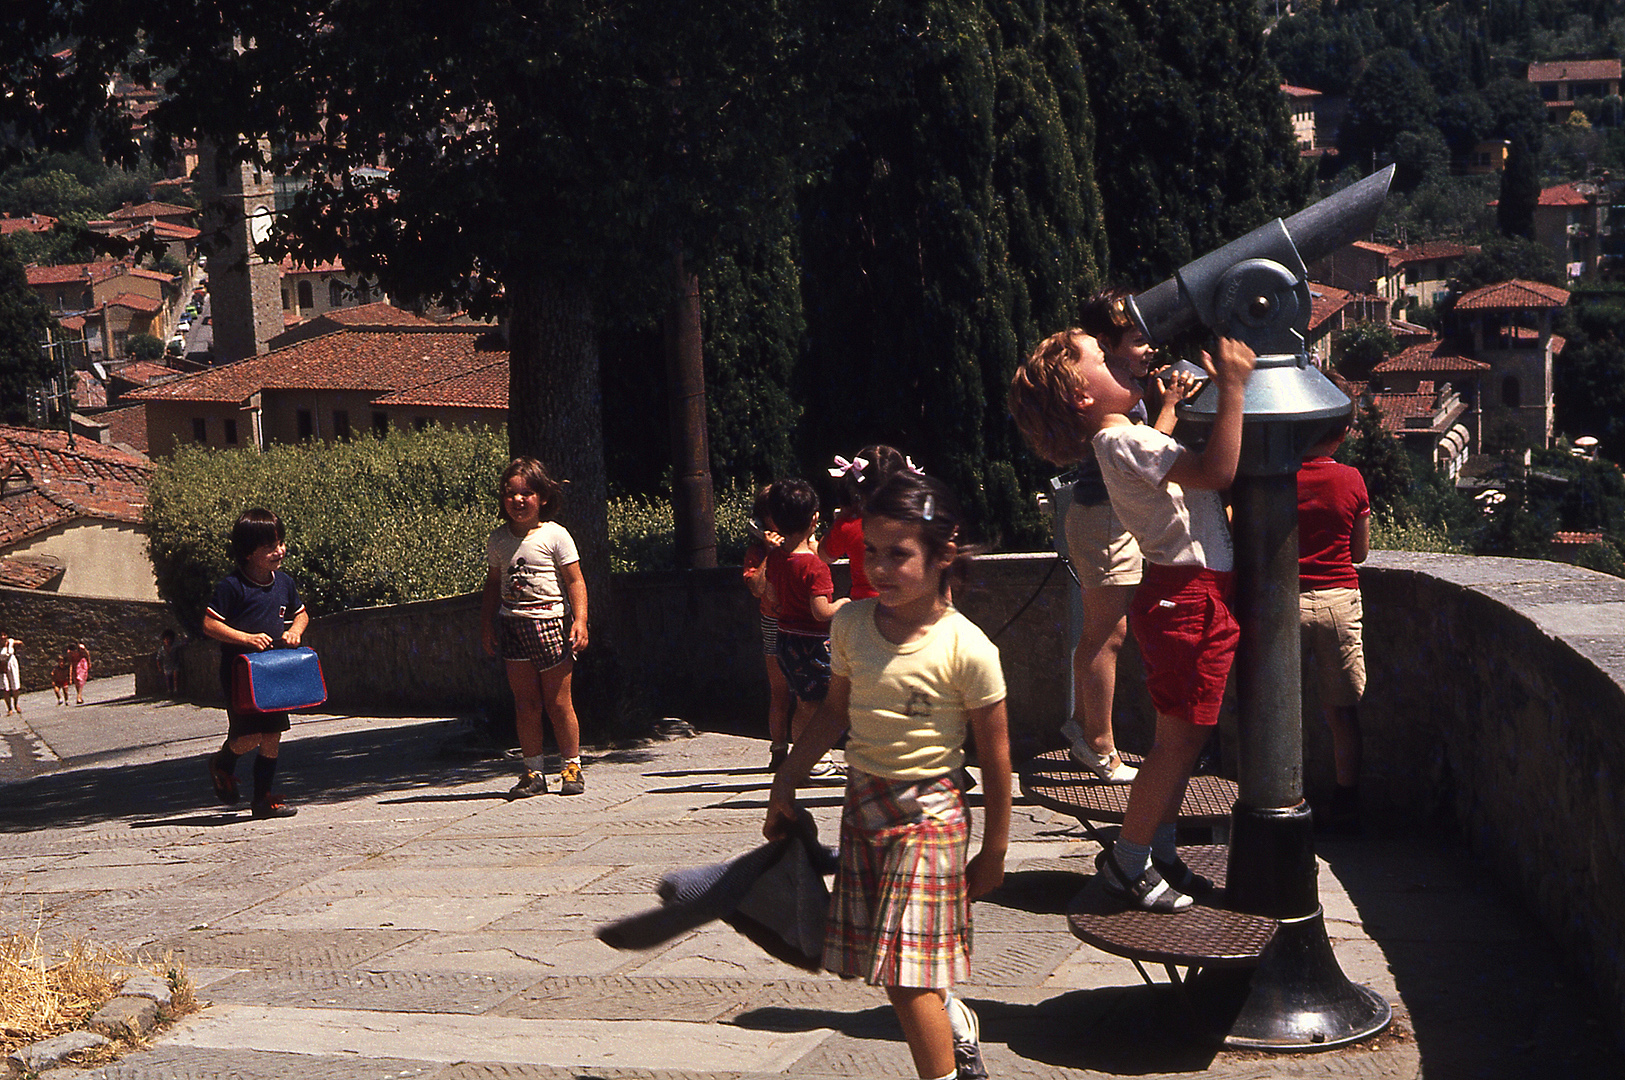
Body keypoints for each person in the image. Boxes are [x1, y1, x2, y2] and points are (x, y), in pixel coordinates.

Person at [765, 471, 1010, 1080]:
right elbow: (833, 715)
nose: (878, 567)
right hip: (865, 809)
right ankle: (956, 1022)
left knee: (904, 972)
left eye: (898, 554)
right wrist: (785, 783)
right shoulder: (850, 627)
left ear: (942, 554)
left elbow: (997, 758)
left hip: (933, 815)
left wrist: (997, 849)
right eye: (869, 551)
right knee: (899, 961)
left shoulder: (968, 648)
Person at [1051, 326, 1255, 912]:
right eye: (1102, 359)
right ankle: (1128, 859)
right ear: (1081, 397)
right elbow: (1217, 471)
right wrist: (1236, 388)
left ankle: (1158, 852)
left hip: (1187, 593)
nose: (1121, 359)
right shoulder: (1124, 442)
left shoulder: (1123, 439)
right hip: (1187, 599)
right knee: (1173, 747)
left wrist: (1172, 407)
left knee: (1183, 744)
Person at [1008, 298, 1198, 784]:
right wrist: (1171, 409)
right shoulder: (1111, 423)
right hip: (1104, 522)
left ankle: (1089, 732)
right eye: (1107, 357)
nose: (1124, 361)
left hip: (1109, 520)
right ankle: (1097, 744)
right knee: (1104, 636)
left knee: (1104, 634)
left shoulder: (1117, 411)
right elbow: (1147, 465)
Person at [481, 457, 589, 798]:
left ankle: (571, 766)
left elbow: (575, 581)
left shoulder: (556, 535)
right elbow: (492, 584)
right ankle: (533, 771)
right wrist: (487, 625)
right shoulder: (498, 540)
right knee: (526, 704)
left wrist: (581, 620)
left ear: (542, 497)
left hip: (550, 625)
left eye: (527, 493)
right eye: (511, 493)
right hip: (512, 626)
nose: (518, 500)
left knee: (558, 703)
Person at [202, 509, 309, 819]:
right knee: (249, 736)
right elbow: (209, 625)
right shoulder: (232, 587)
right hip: (240, 673)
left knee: (273, 734)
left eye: (280, 543)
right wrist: (245, 638)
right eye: (270, 547)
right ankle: (222, 763)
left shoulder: (284, 583)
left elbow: (301, 614)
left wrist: (294, 631)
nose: (279, 551)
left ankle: (262, 800)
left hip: (273, 670)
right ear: (248, 553)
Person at [1297, 420, 1370, 834]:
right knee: (1342, 710)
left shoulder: (1279, 478)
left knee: (1278, 709)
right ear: (1341, 432)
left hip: (1284, 602)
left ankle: (1284, 795)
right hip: (1338, 600)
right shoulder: (1350, 478)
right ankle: (1346, 800)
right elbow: (1358, 553)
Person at [765, 477, 849, 780]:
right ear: (815, 519)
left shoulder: (775, 558)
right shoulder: (816, 568)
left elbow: (771, 595)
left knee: (803, 702)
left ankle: (803, 758)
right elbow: (820, 611)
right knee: (825, 706)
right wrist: (844, 603)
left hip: (785, 641)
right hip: (813, 645)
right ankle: (816, 760)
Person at [743, 485, 793, 772]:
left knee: (809, 693)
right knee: (780, 691)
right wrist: (769, 554)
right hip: (774, 623)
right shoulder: (756, 553)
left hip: (803, 622)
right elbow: (756, 588)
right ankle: (778, 748)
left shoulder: (801, 544)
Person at [820, 445, 911, 601]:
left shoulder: (848, 526)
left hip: (864, 609)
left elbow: (824, 555)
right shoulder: (915, 523)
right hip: (907, 606)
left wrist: (842, 517)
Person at [157, 629, 182, 696]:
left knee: (175, 676)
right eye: (166, 639)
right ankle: (169, 690)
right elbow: (158, 659)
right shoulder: (161, 650)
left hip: (175, 664)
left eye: (169, 639)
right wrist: (159, 668)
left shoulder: (175, 647)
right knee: (168, 678)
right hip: (167, 665)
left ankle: (176, 690)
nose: (168, 641)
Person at [1, 634, 21, 715]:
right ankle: (9, 708)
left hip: (11, 664)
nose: (2, 637)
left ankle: (16, 703)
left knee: (15, 685)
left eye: (4, 635)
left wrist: (18, 645)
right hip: (2, 666)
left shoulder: (10, 642)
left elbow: (20, 642)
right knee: (6, 688)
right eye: (1, 635)